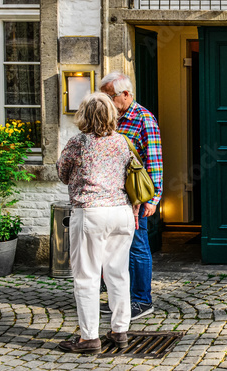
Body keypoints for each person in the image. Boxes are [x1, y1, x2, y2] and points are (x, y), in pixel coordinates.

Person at [57, 92, 137, 354]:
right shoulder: (122, 142)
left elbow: (63, 173)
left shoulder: (79, 142)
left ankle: (89, 338)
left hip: (91, 212)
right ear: (112, 115)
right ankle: (120, 330)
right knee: (118, 273)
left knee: (87, 276)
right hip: (121, 212)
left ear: (85, 115)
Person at [99, 71, 163, 320]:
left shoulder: (143, 118)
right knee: (114, 248)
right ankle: (119, 299)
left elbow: (154, 161)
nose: (106, 102)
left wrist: (153, 199)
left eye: (109, 96)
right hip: (112, 195)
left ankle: (141, 300)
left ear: (126, 94)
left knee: (137, 246)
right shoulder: (111, 117)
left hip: (135, 197)